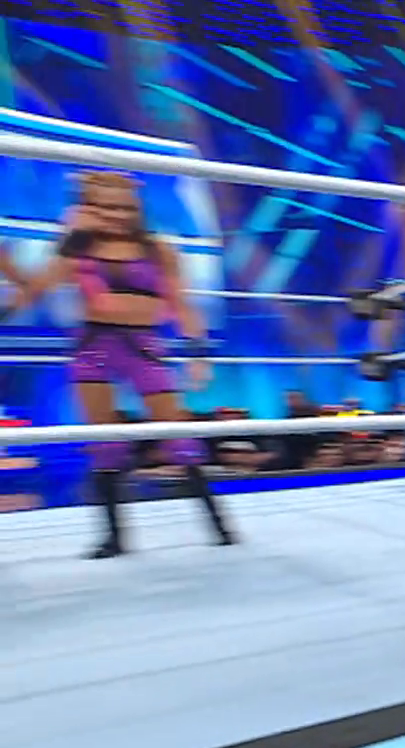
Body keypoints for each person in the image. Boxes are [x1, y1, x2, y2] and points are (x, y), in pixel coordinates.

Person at [2, 172, 234, 557]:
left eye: (125, 207)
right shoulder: (78, 250)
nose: (117, 215)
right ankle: (114, 538)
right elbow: (35, 291)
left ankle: (221, 529)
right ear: (88, 207)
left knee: (180, 440)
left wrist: (198, 353)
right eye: (107, 207)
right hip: (94, 345)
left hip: (143, 346)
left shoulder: (158, 249)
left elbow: (181, 304)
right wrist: (49, 250)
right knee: (104, 444)